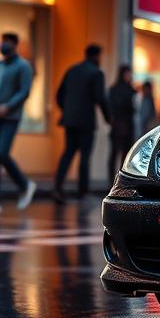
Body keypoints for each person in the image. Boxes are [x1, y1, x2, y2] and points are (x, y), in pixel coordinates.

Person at [54, 43, 111, 203]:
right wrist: (108, 118)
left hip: (69, 120)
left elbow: (59, 94)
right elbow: (100, 98)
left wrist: (67, 110)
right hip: (85, 121)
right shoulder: (96, 73)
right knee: (84, 157)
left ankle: (57, 187)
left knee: (67, 154)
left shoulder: (71, 70)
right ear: (96, 56)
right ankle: (83, 192)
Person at [0, 32, 37, 214]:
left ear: (15, 44)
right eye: (3, 41)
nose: (4, 45)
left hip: (10, 118)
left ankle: (25, 184)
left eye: (8, 42)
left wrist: (8, 106)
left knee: (2, 153)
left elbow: (24, 91)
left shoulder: (23, 66)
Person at [107, 65, 137, 183]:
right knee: (119, 155)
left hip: (120, 126)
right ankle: (117, 181)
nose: (129, 76)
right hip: (122, 126)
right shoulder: (127, 90)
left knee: (120, 155)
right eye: (128, 73)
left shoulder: (117, 89)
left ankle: (117, 181)